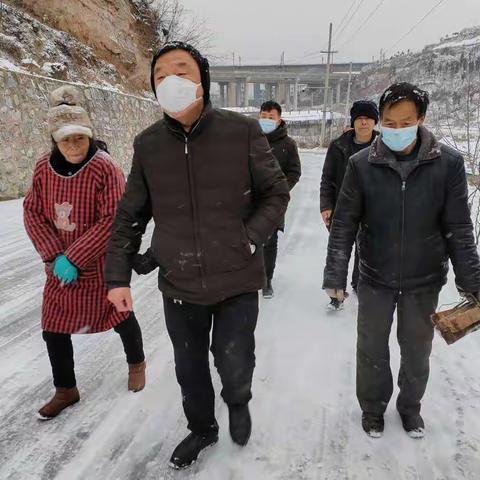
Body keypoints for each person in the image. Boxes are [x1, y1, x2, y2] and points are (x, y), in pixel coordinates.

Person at [105, 42, 290, 469]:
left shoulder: (240, 132)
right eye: (161, 75)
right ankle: (202, 428)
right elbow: (129, 215)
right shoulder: (148, 145)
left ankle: (238, 400)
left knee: (233, 357)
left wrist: (250, 237)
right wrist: (118, 278)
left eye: (182, 71)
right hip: (180, 281)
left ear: (203, 80)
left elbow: (275, 193)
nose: (171, 80)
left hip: (238, 276)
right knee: (189, 369)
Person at [323, 82, 480, 438]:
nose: (395, 130)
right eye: (388, 123)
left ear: (421, 119)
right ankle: (373, 408)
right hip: (374, 276)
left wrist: (473, 281)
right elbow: (344, 224)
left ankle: (410, 408)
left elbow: (458, 227)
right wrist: (336, 274)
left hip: (423, 280)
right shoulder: (361, 164)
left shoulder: (449, 164)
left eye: (404, 122)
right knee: (371, 348)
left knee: (416, 352)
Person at [23, 85, 146, 420]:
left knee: (119, 315)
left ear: (89, 135)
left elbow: (113, 219)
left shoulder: (105, 168)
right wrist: (53, 258)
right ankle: (66, 389)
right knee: (53, 327)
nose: (73, 145)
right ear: (55, 140)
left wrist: (75, 257)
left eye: (79, 138)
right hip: (58, 266)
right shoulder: (41, 169)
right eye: (66, 140)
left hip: (99, 263)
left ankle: (136, 362)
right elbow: (32, 211)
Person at [320, 100, 379, 305]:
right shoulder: (339, 146)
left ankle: (358, 283)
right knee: (339, 249)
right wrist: (326, 205)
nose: (363, 123)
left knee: (366, 249)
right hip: (342, 206)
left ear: (375, 122)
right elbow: (327, 178)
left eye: (368, 119)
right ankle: (335, 291)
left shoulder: (384, 145)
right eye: (359, 119)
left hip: (373, 207)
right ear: (353, 122)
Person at [258, 100, 301, 298]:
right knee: (246, 239)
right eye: (263, 117)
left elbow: (294, 172)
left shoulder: (287, 144)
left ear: (279, 119)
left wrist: (280, 190)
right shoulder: (250, 138)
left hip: (274, 201)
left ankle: (267, 279)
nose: (267, 120)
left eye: (271, 117)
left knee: (269, 241)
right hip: (249, 199)